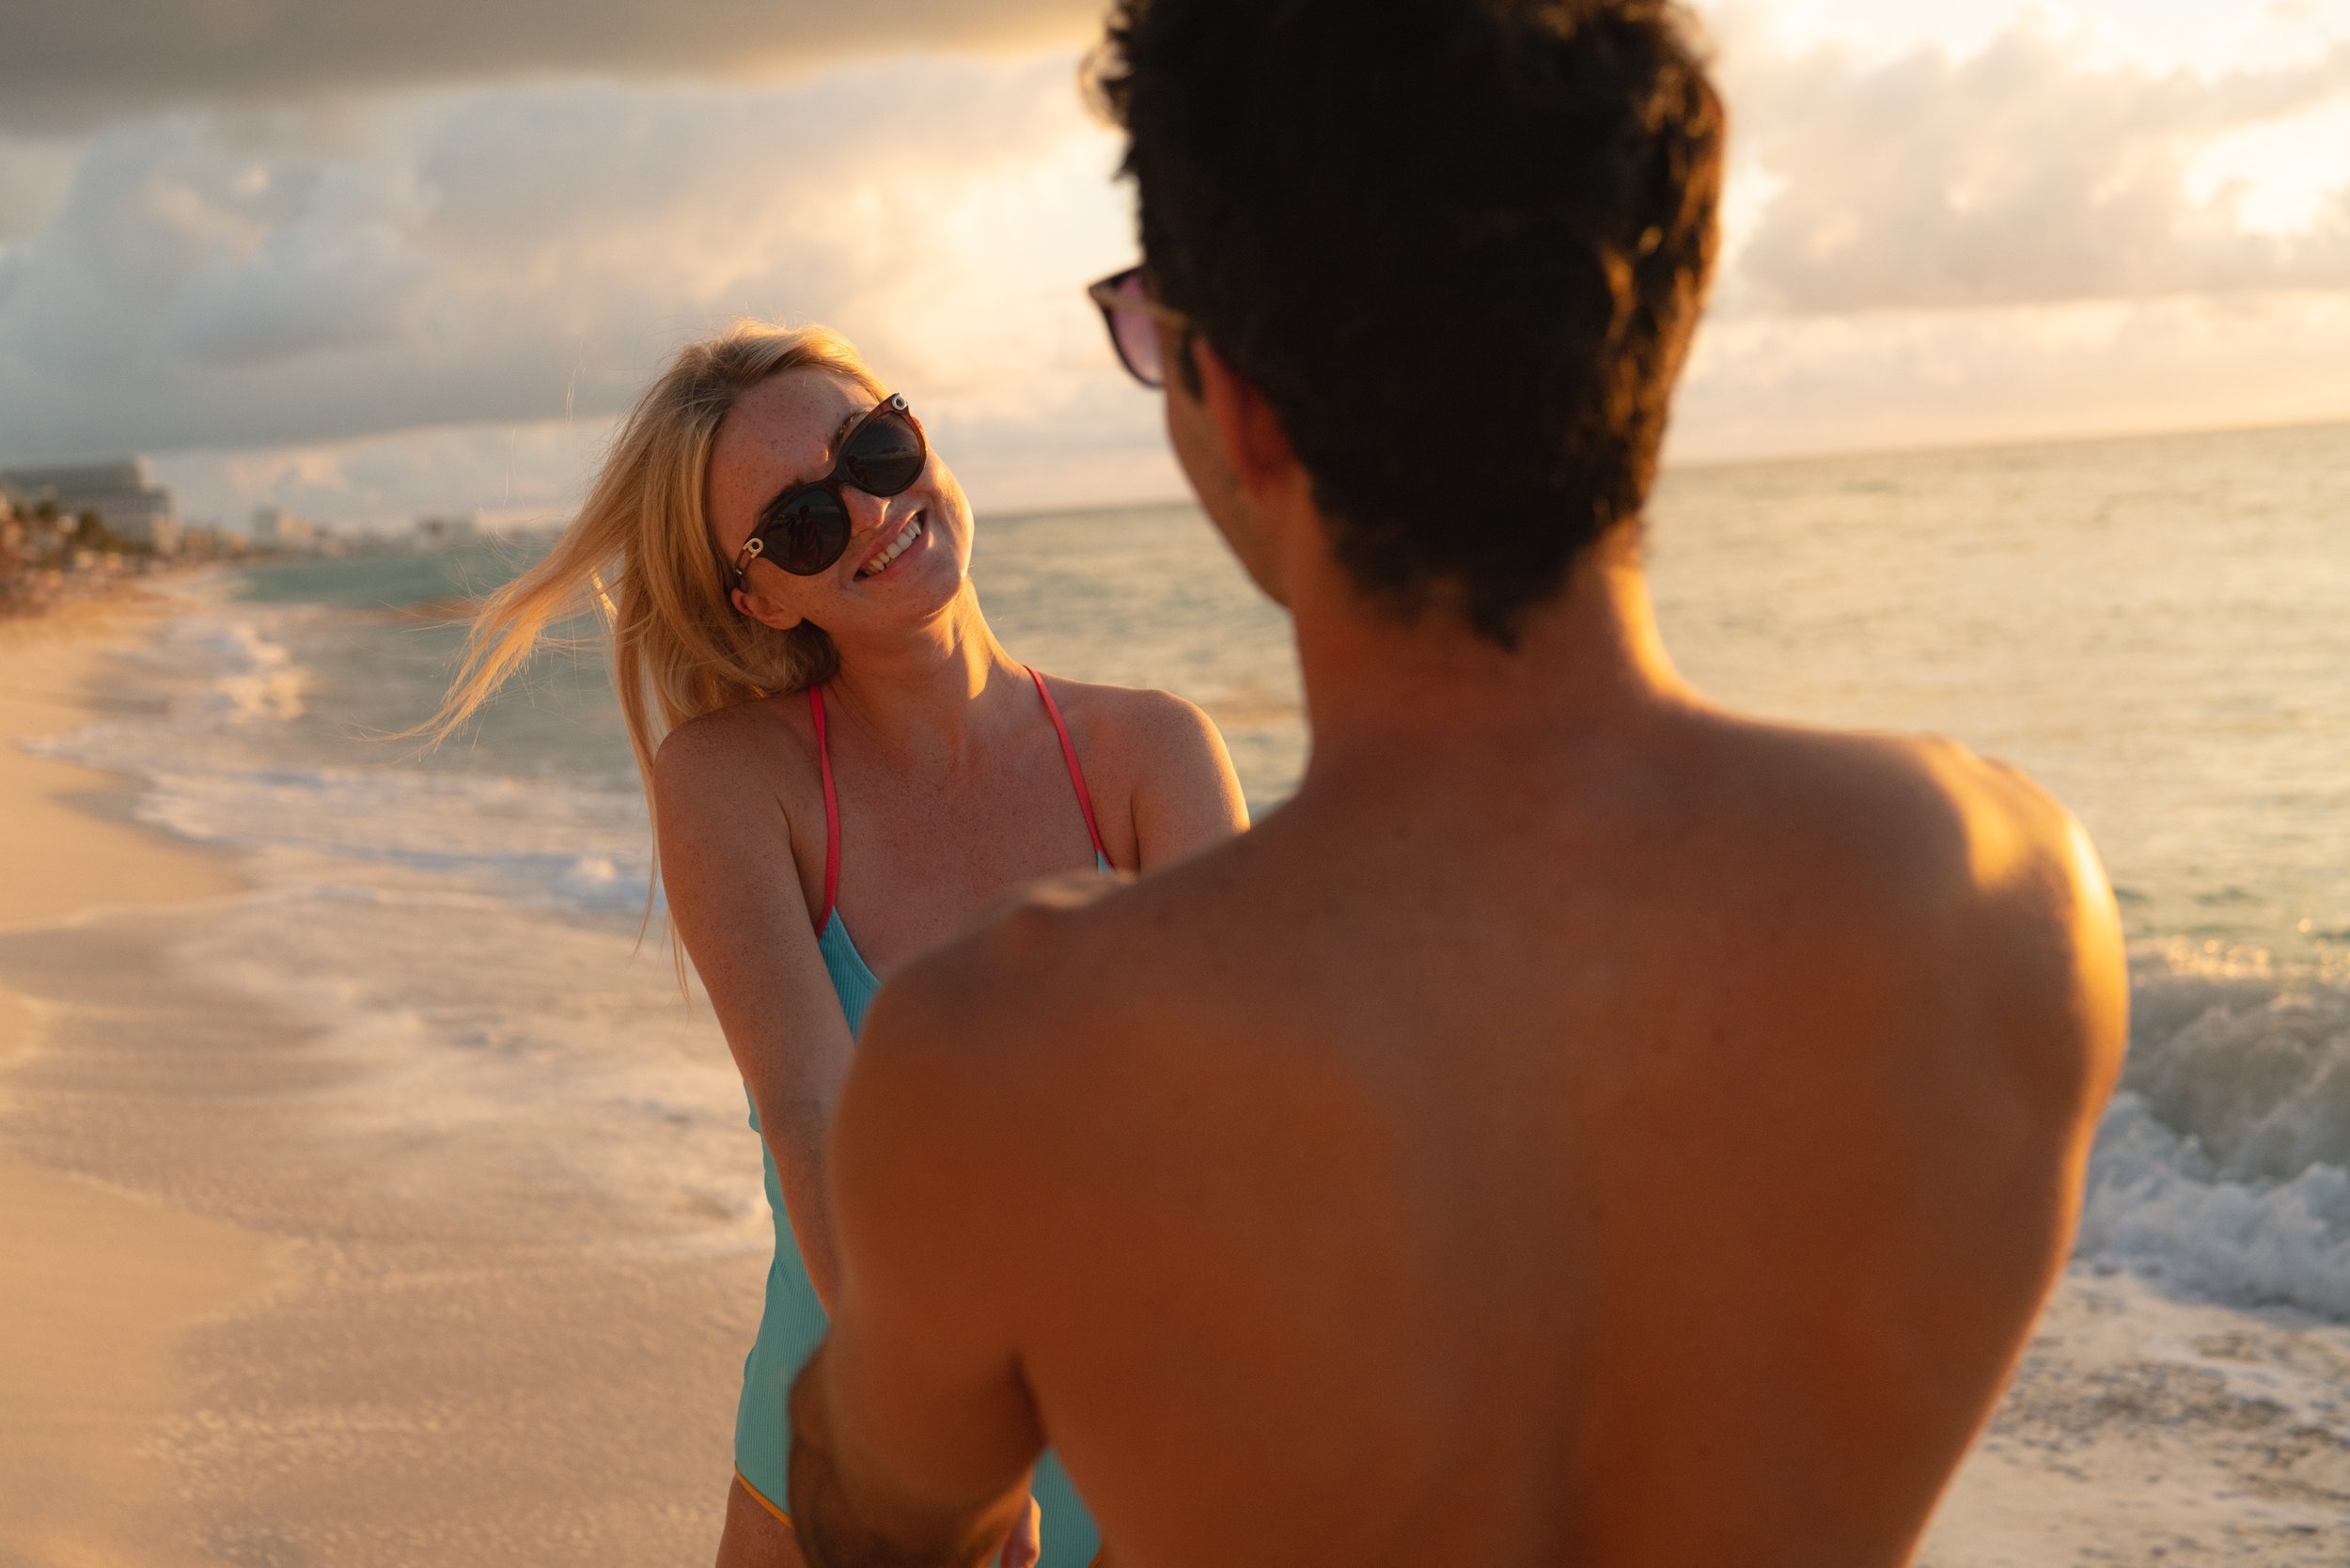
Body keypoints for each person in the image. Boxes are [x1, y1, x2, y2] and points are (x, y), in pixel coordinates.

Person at [782, 3, 2130, 1566]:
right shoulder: (2010, 902)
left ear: (1242, 408)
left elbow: (884, 1525)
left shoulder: (1018, 1057)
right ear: (1657, 335)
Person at [424, 321, 1247, 1568]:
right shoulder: (734, 784)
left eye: (876, 446)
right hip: (847, 1434)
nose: (872, 510)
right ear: (756, 595)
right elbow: (811, 1115)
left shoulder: (1154, 755)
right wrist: (925, 1449)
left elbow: (1238, 1135)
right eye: (803, 523)